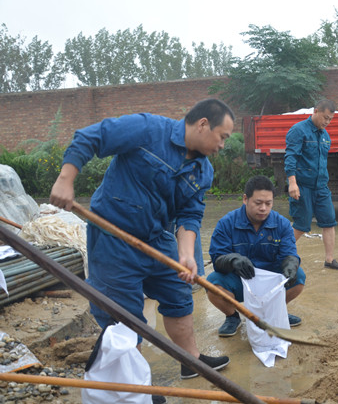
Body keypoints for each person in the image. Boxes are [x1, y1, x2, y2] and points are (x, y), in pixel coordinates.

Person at [49, 98, 234, 380]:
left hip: (157, 239)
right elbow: (91, 137)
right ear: (203, 124)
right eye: (222, 137)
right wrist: (66, 179)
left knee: (178, 294)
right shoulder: (148, 129)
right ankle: (133, 384)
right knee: (122, 313)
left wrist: (185, 255)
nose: (222, 145)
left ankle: (191, 361)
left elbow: (190, 215)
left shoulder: (203, 171)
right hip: (113, 236)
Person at [206, 175, 304, 336]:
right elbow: (218, 258)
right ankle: (232, 317)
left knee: (299, 277)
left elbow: (289, 253)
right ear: (245, 199)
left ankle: (275, 312)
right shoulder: (226, 223)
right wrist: (233, 260)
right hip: (240, 281)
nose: (263, 208)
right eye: (258, 203)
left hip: (270, 283)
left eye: (268, 203)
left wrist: (291, 264)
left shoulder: (282, 224)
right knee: (213, 284)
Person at [284, 99, 338, 270]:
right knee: (301, 225)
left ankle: (329, 260)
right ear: (316, 111)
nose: (327, 122)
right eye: (325, 117)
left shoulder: (325, 136)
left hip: (321, 187)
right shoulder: (298, 130)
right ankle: (280, 255)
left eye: (330, 119)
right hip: (302, 186)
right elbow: (291, 157)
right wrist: (292, 183)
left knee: (329, 221)